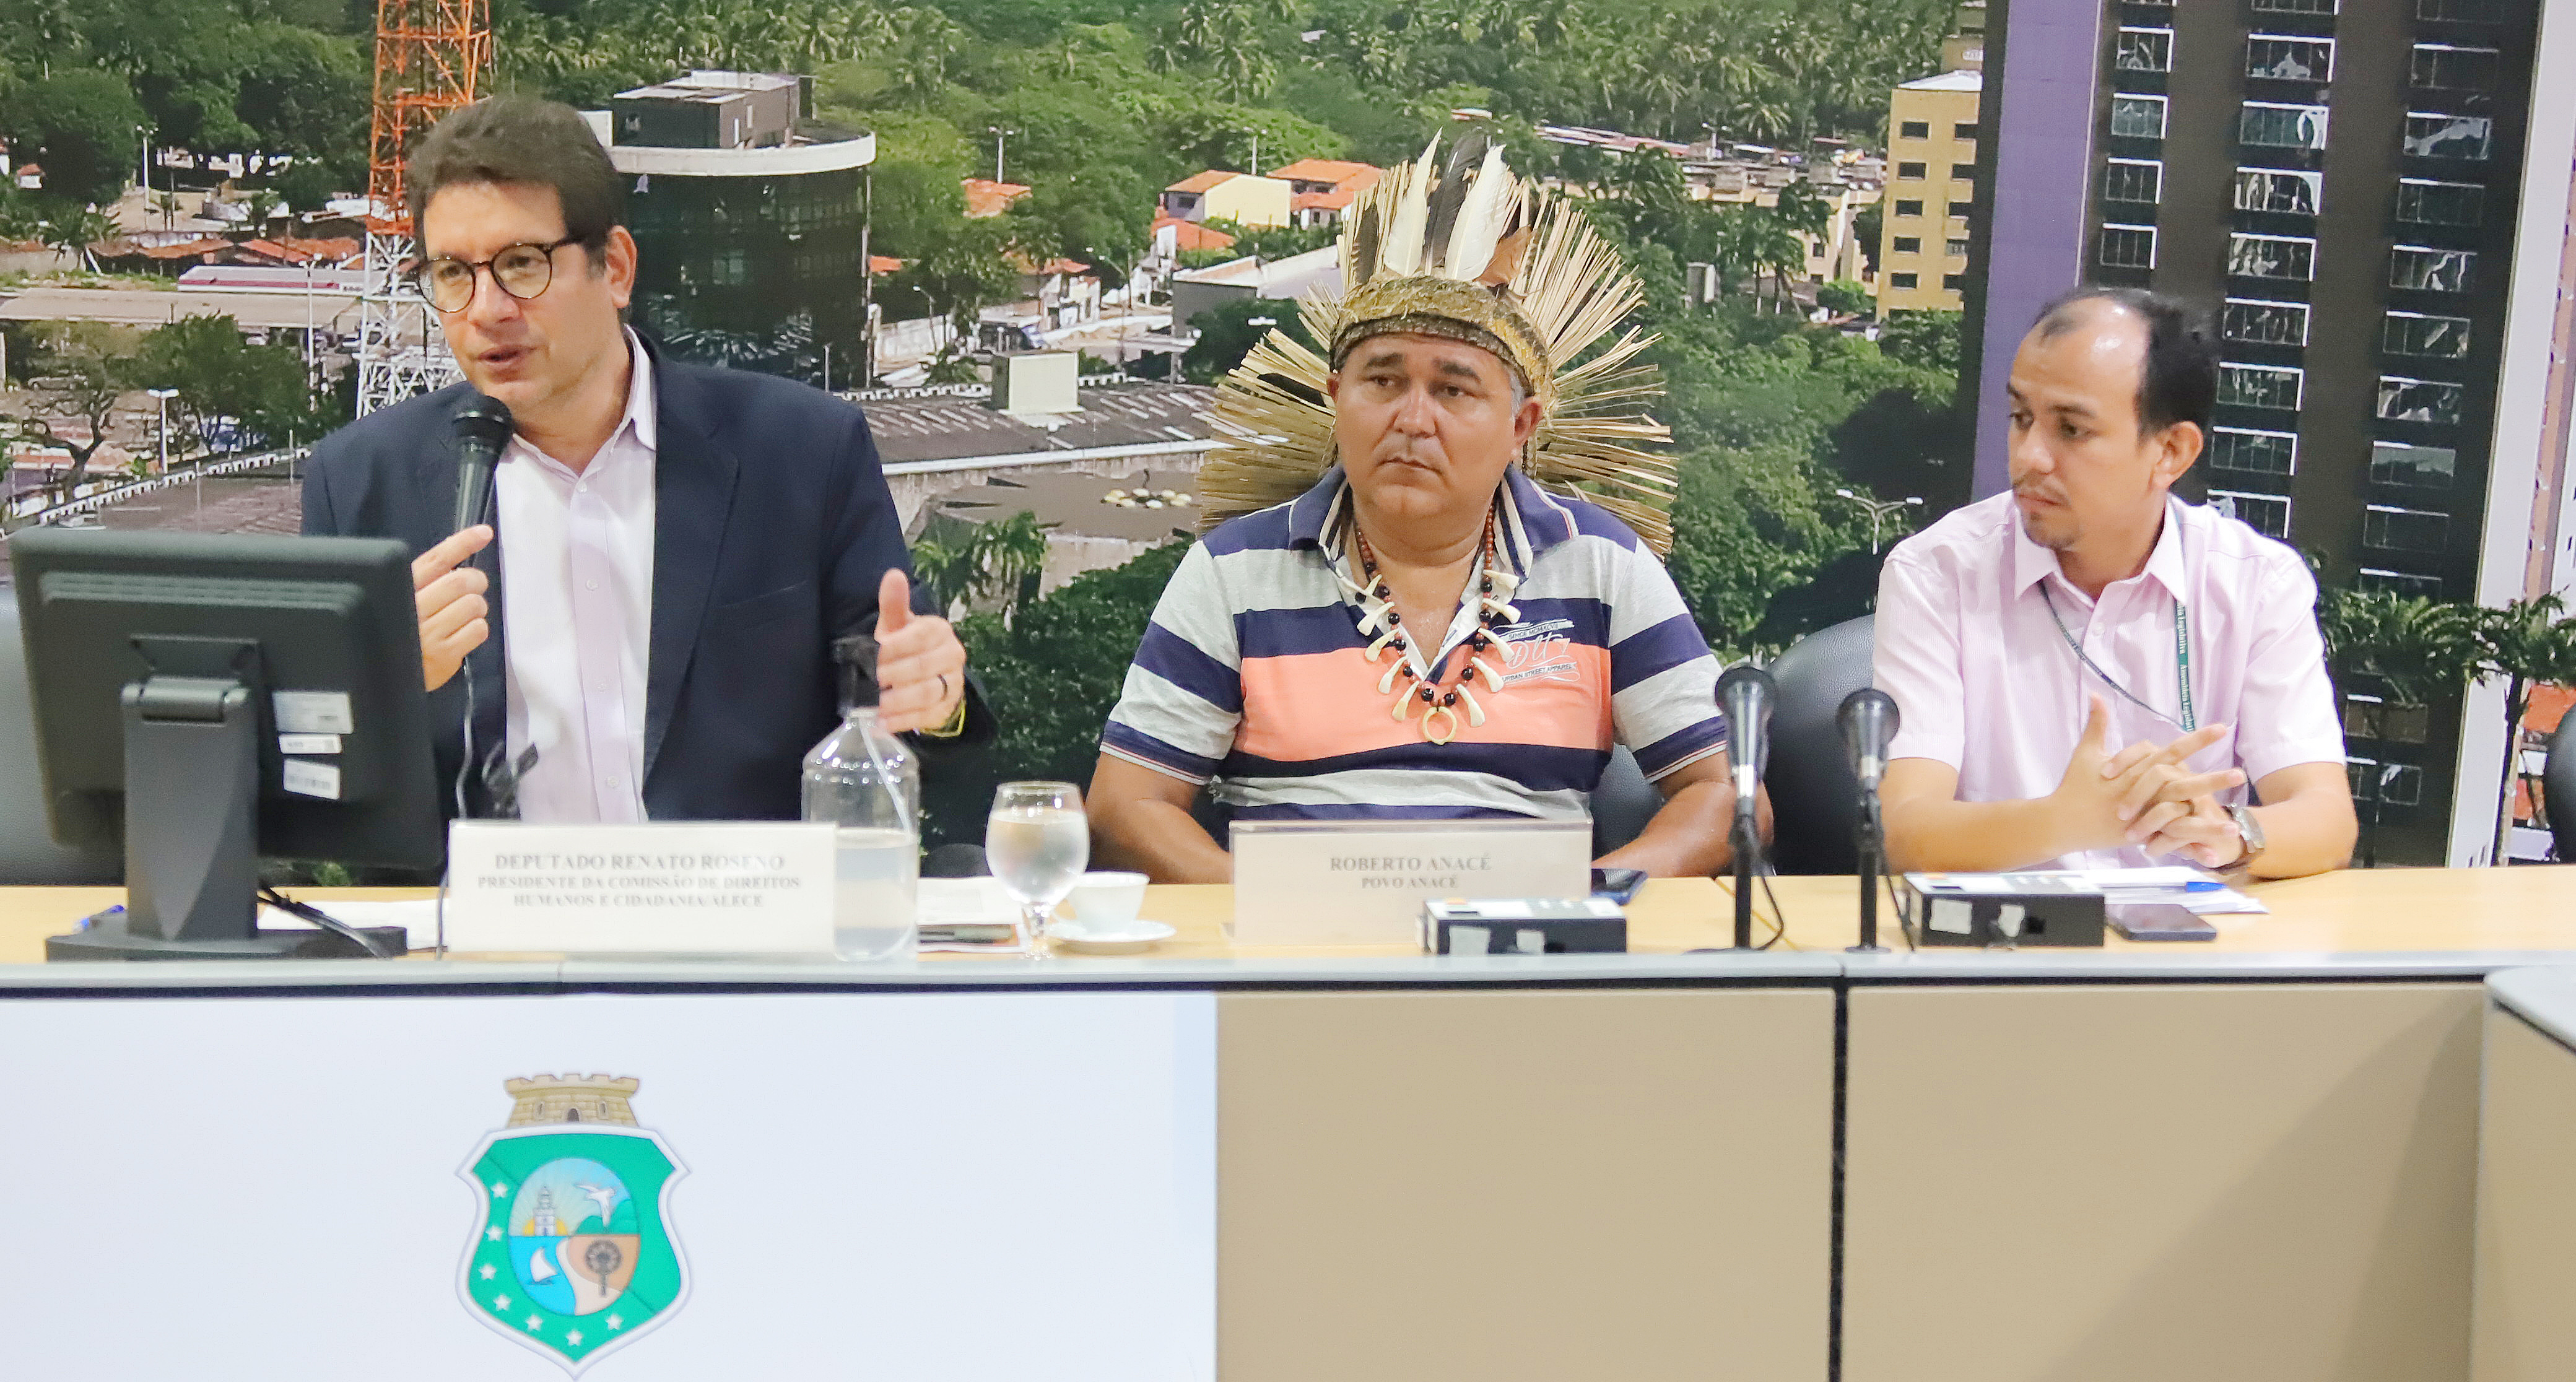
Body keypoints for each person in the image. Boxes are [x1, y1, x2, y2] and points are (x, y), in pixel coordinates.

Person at [303, 97, 987, 824]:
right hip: (484, 896)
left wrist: (935, 697)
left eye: (521, 264)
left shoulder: (800, 450)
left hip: (736, 890)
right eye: (452, 273)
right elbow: (307, 779)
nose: (486, 310)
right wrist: (381, 687)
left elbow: (918, 707)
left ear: (617, 269)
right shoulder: (362, 481)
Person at [1088, 141, 1747, 880]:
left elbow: (1723, 792)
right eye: (1382, 381)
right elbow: (1125, 804)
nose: (1411, 419)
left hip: (1528, 941)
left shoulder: (1600, 564)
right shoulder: (1233, 571)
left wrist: (1590, 900)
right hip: (1296, 940)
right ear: (1335, 399)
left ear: (1521, 424)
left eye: (1453, 390)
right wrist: (1266, 906)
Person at [1873, 287, 2356, 877]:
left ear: (2171, 452)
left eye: (2071, 430)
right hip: (2007, 930)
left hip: (2187, 932)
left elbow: (2327, 820)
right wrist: (2066, 821)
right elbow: (1903, 831)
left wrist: (2231, 832)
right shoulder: (1938, 573)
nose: (2030, 456)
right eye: (2021, 419)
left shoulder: (2256, 584)